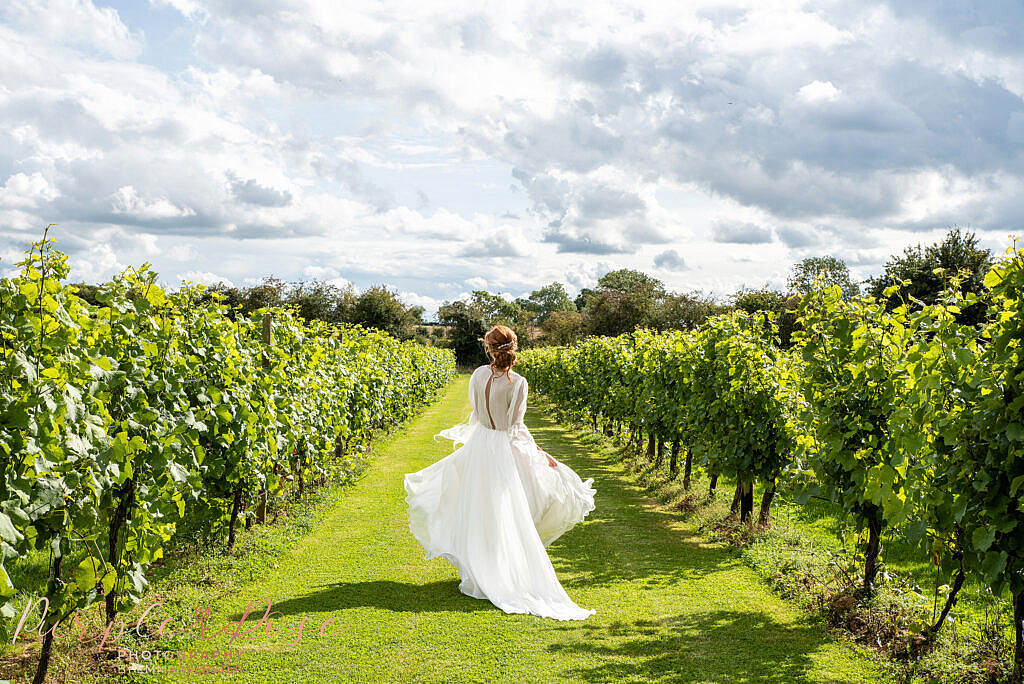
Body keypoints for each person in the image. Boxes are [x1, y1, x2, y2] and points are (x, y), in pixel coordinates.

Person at [404, 325, 596, 620]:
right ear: (514, 347)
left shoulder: (478, 375)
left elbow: (478, 416)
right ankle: (497, 573)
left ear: (488, 348)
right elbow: (515, 429)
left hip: (481, 444)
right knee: (507, 510)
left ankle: (481, 574)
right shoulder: (517, 382)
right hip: (501, 449)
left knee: (479, 509)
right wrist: (541, 454)